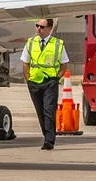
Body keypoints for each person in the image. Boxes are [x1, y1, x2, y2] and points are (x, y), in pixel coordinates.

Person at [23, 18, 70, 151]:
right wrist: (28, 80)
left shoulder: (57, 44)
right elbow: (25, 62)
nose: (38, 29)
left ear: (50, 28)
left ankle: (49, 140)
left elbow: (64, 64)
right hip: (34, 82)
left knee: (49, 110)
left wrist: (57, 79)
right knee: (40, 112)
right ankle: (46, 135)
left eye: (42, 27)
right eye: (37, 26)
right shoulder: (31, 42)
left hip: (50, 82)